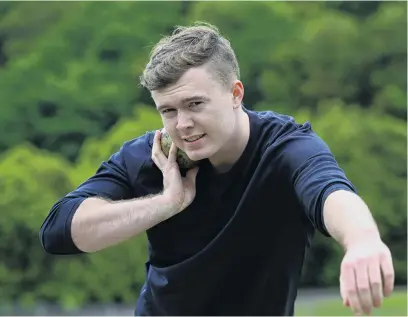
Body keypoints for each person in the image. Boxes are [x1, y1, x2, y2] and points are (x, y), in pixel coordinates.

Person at [39, 22, 395, 316]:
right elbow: (58, 230)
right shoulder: (155, 156)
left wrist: (362, 240)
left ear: (235, 93)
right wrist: (165, 204)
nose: (182, 125)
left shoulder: (285, 147)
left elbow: (329, 190)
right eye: (168, 110)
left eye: (195, 104)